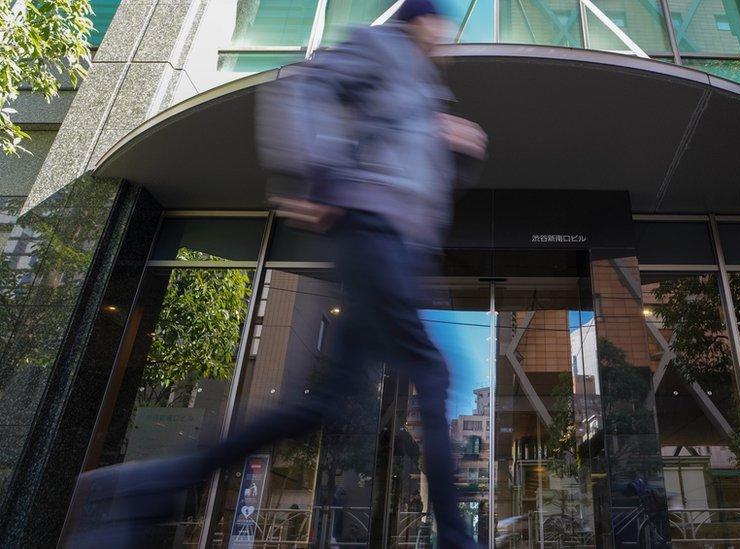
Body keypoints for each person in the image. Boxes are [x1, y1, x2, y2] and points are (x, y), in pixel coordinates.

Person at [65, 1, 486, 547]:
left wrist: (446, 142)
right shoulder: (383, 47)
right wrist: (320, 176)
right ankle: (455, 536)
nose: (446, 34)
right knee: (433, 376)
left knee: (326, 405)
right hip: (374, 235)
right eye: (442, 21)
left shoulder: (419, 84)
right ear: (423, 20)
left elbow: (401, 156)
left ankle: (149, 485)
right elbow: (306, 86)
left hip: (392, 247)